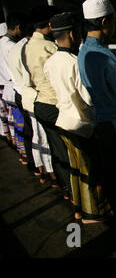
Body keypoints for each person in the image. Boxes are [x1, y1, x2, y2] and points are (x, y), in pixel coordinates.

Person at [78, 0, 116, 236]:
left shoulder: (84, 51)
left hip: (101, 122)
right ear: (105, 21)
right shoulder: (102, 55)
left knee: (112, 176)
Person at [45, 12, 110, 224]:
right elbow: (88, 97)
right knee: (90, 170)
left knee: (75, 170)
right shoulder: (73, 62)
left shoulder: (51, 61)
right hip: (81, 125)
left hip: (63, 120)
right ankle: (92, 214)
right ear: (73, 34)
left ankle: (78, 209)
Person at [25, 5, 72, 198]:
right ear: (50, 24)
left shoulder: (28, 46)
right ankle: (75, 192)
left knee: (55, 149)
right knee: (67, 151)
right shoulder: (50, 47)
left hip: (40, 102)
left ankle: (66, 190)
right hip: (54, 103)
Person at [7, 17, 53, 183]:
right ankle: (49, 171)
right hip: (33, 94)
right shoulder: (29, 47)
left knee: (33, 133)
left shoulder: (14, 48)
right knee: (43, 136)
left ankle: (39, 168)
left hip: (21, 93)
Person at [0, 12, 27, 161]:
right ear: (17, 27)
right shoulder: (12, 46)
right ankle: (26, 157)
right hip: (13, 87)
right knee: (19, 123)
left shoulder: (2, 42)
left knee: (12, 123)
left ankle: (21, 153)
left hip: (6, 88)